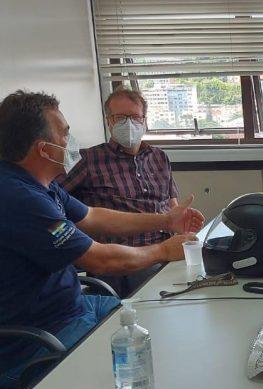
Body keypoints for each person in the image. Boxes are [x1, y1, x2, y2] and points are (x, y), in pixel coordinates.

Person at [0, 91, 204, 388]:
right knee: (149, 361)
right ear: (43, 149)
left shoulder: (40, 185)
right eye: (65, 133)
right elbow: (100, 260)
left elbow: (94, 216)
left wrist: (165, 221)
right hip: (38, 341)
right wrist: (163, 250)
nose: (71, 142)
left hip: (76, 307)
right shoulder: (19, 197)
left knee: (159, 330)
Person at [58, 87, 185, 296]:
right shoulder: (88, 160)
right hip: (127, 262)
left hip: (168, 251)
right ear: (109, 122)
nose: (129, 124)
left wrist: (184, 227)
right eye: (120, 118)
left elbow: (172, 205)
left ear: (144, 121)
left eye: (135, 117)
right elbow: (49, 196)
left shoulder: (159, 157)